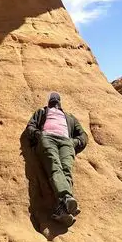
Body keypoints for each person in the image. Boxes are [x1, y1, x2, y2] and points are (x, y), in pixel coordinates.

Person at [25, 91, 88, 225]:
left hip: (66, 141)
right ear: (48, 102)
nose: (54, 100)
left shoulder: (69, 117)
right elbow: (30, 126)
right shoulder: (42, 112)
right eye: (52, 98)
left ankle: (62, 211)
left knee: (66, 170)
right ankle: (66, 197)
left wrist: (74, 142)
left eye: (57, 98)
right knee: (55, 166)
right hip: (47, 138)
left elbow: (83, 135)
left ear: (60, 102)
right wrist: (38, 135)